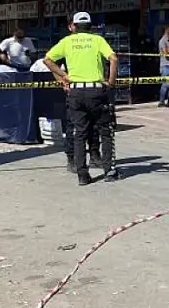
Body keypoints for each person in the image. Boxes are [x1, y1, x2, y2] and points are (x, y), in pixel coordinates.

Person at [44, 11, 120, 186]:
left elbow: (47, 60)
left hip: (76, 93)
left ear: (75, 27)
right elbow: (114, 59)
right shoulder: (98, 40)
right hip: (96, 91)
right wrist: (110, 82)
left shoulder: (67, 41)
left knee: (79, 133)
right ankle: (109, 170)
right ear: (91, 27)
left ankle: (83, 175)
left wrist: (64, 76)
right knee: (105, 131)